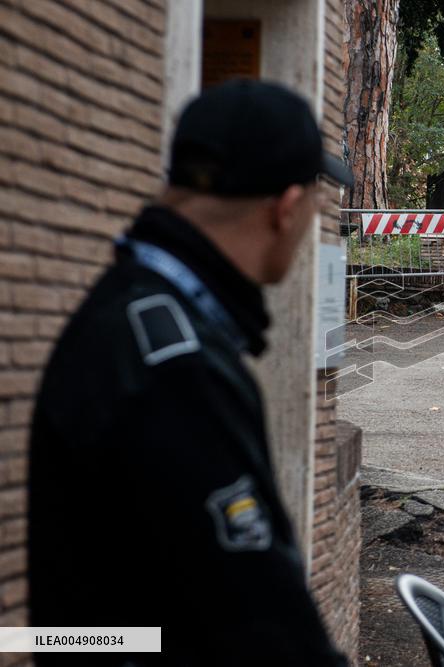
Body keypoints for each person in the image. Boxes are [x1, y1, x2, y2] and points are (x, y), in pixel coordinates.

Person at [28, 80, 354, 665]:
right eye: (314, 204)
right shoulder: (178, 369)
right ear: (285, 208)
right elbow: (261, 624)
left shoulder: (125, 310)